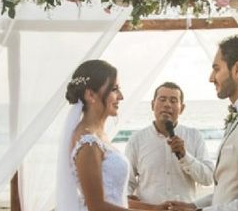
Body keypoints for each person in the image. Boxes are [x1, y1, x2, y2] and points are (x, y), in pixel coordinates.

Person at [167, 34, 238, 211]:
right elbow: (229, 190)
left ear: (237, 70)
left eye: (216, 69)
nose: (211, 78)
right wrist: (193, 206)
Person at [56, 59, 167, 211]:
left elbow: (113, 197)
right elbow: (97, 207)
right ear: (91, 94)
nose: (121, 96)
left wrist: (153, 208)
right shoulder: (88, 143)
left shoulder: (98, 136)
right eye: (114, 89)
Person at [126, 82, 214, 207]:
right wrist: (127, 198)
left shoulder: (194, 136)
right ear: (152, 105)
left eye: (173, 101)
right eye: (162, 99)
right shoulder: (136, 140)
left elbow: (208, 178)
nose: (167, 105)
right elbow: (127, 181)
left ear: (182, 108)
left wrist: (185, 156)